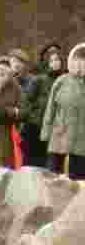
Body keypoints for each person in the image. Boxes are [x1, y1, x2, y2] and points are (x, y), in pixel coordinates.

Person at [41, 42, 85, 180]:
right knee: (54, 178)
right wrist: (46, 132)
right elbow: (51, 109)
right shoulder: (62, 81)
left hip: (81, 141)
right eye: (77, 60)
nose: (80, 64)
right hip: (59, 137)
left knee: (77, 180)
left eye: (83, 60)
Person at [20, 43, 63, 168]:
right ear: (47, 62)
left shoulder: (65, 79)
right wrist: (32, 118)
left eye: (58, 60)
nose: (56, 63)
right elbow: (26, 102)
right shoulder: (38, 80)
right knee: (33, 165)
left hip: (56, 130)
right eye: (53, 60)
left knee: (52, 167)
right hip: (36, 128)